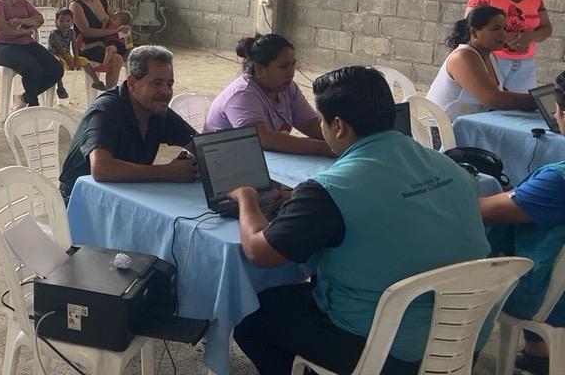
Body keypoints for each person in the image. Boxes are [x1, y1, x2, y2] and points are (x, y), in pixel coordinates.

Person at [230, 66, 490, 375]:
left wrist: (246, 197)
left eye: (321, 121)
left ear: (338, 125)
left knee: (251, 313)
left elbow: (260, 253)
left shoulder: (330, 190)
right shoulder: (449, 166)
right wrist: (303, 201)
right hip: (462, 337)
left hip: (388, 351)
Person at [481, 71, 565, 375]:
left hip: (547, 297)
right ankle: (537, 351)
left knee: (456, 260)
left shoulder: (558, 181)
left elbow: (483, 212)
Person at [58, 46, 198, 204]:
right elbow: (101, 168)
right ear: (132, 83)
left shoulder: (158, 111)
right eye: (157, 83)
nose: (165, 91)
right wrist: (167, 172)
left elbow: (202, 146)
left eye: (169, 84)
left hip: (126, 196)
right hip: (80, 202)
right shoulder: (106, 110)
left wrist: (198, 164)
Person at [205, 33, 333, 156]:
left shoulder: (288, 88)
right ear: (260, 69)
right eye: (283, 67)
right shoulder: (242, 94)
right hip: (224, 159)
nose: (291, 73)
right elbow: (263, 139)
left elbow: (310, 123)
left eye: (293, 65)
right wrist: (323, 148)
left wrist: (338, 139)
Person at [426, 5, 534, 121]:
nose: (503, 35)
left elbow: (501, 94)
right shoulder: (463, 56)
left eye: (504, 29)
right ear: (474, 33)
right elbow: (493, 99)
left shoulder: (490, 56)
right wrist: (537, 101)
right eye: (496, 29)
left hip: (469, 122)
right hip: (442, 127)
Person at [467, 0, 550, 93]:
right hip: (492, 60)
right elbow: (469, 27)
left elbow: (547, 28)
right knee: (491, 101)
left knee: (523, 104)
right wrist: (505, 38)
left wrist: (529, 37)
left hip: (525, 64)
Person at [0, 0, 63, 111]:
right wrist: (25, 30)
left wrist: (21, 21)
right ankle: (33, 106)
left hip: (27, 43)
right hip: (2, 47)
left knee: (56, 69)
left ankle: (24, 98)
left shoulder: (22, 1)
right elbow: (0, 26)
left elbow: (39, 19)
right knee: (32, 68)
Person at [69, 0, 126, 88]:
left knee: (129, 52)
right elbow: (87, 32)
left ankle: (117, 91)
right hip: (86, 46)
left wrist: (124, 28)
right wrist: (112, 31)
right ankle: (110, 94)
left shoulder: (103, 2)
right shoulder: (75, 5)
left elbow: (114, 20)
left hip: (104, 43)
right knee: (116, 59)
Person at [47, 7, 101, 99]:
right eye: (61, 21)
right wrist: (69, 61)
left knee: (85, 61)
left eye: (68, 21)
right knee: (58, 64)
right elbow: (60, 49)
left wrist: (76, 59)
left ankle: (96, 81)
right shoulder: (54, 34)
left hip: (67, 55)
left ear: (72, 22)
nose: (65, 24)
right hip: (54, 56)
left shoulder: (71, 32)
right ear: (56, 22)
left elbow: (74, 46)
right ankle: (60, 87)